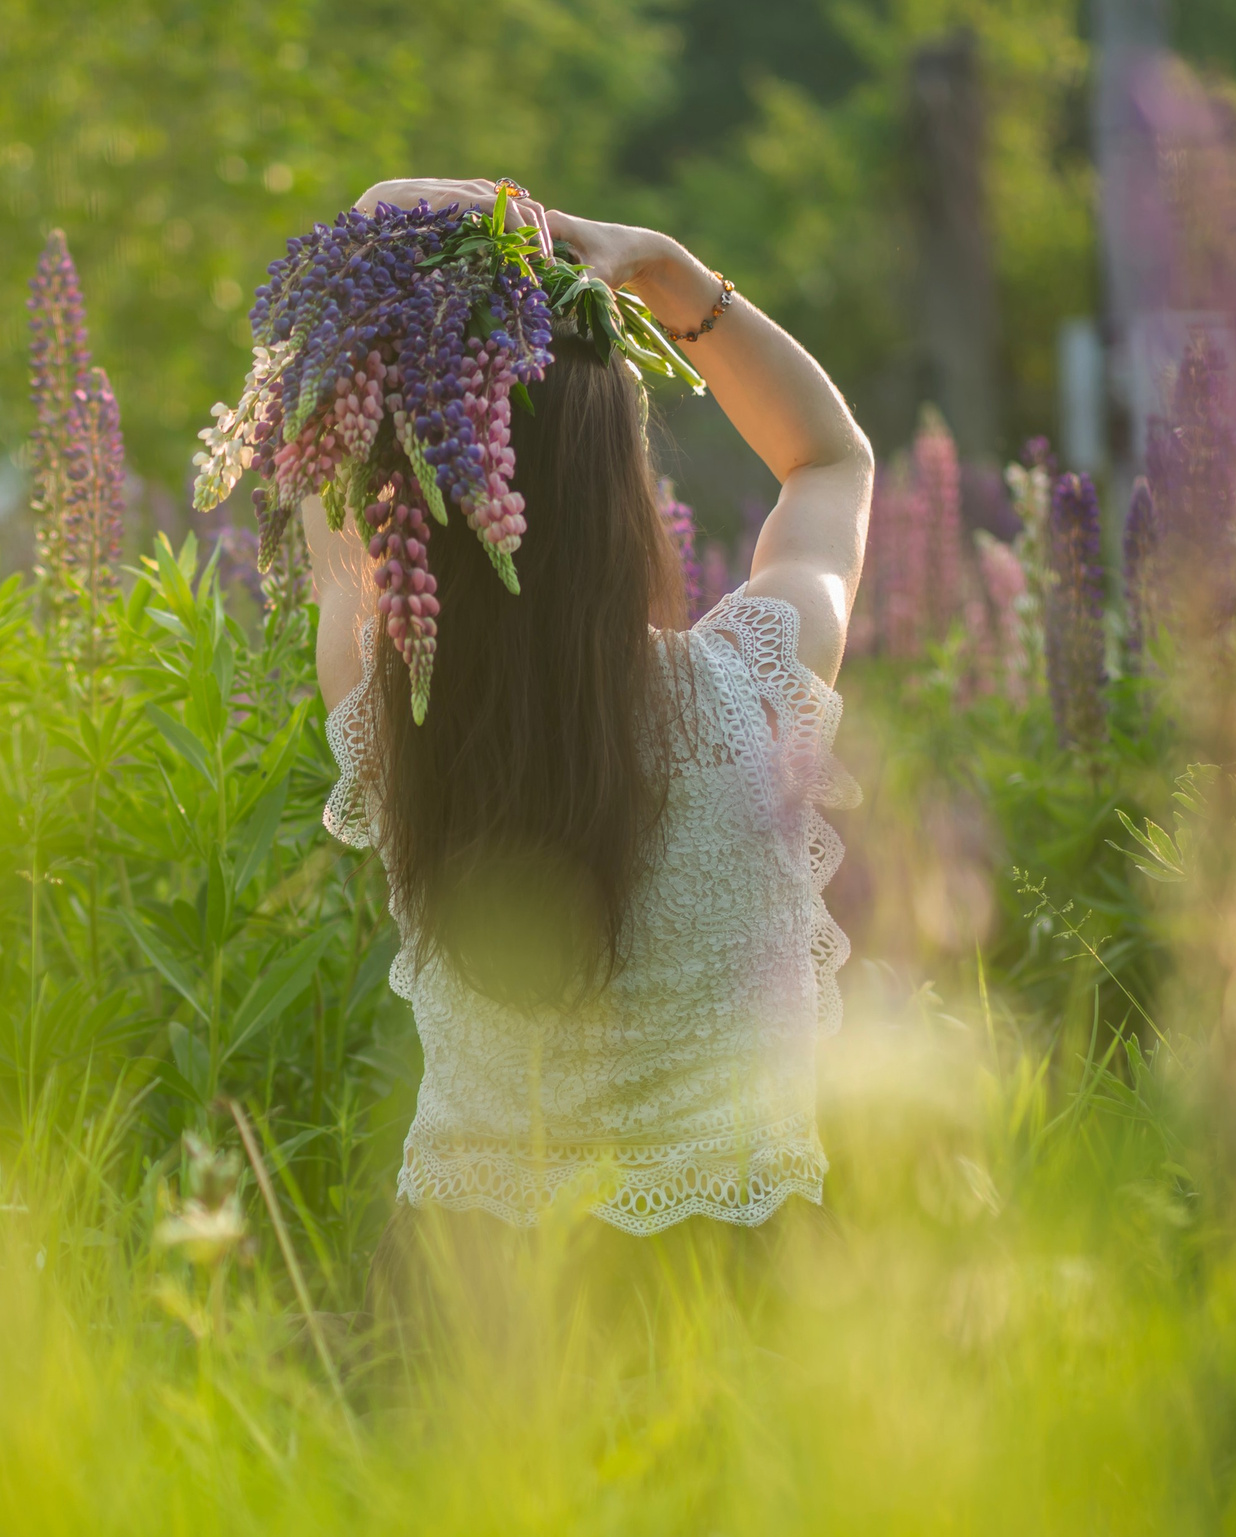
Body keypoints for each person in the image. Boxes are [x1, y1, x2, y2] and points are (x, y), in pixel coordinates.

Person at [299, 180, 871, 1359]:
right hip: (732, 1303)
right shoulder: (753, 693)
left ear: (405, 497)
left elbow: (323, 486)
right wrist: (665, 270)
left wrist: (363, 297)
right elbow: (829, 463)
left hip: (466, 1309)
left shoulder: (395, 706)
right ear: (625, 497)